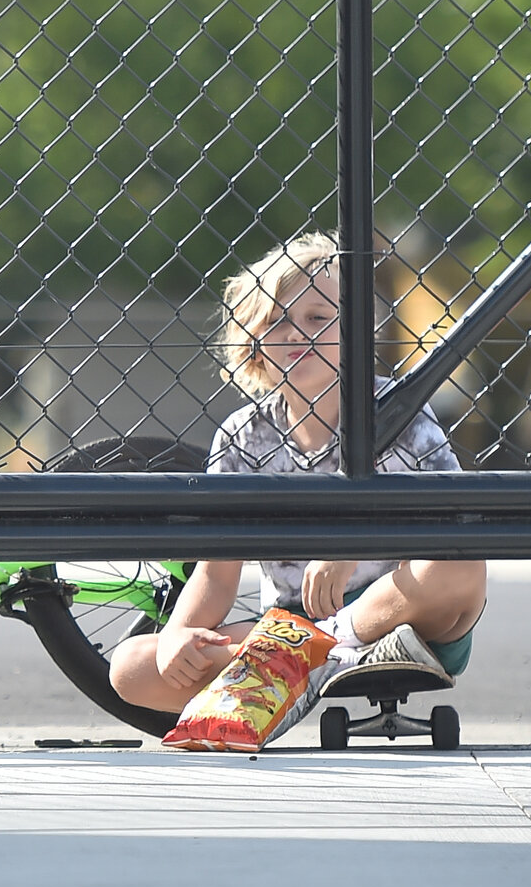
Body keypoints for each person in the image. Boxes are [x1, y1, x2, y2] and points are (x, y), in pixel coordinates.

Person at [107, 231, 486, 721]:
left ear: (353, 330)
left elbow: (452, 523)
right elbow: (217, 573)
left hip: (407, 613)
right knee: (132, 665)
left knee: (460, 566)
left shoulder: (399, 411)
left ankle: (319, 655)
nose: (295, 333)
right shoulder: (243, 435)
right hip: (291, 627)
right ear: (254, 340)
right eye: (277, 320)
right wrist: (179, 634)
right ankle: (319, 656)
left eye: (317, 318)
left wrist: (351, 549)